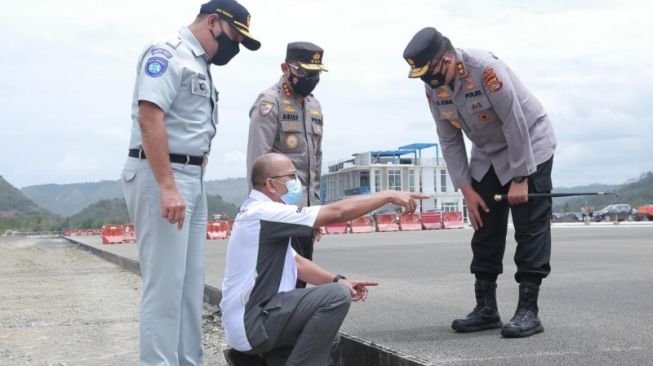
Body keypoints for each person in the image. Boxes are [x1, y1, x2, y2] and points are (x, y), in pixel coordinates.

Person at [121, 1, 260, 364]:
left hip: (192, 176)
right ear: (213, 22)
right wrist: (167, 186)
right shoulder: (168, 53)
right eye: (234, 38)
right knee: (165, 288)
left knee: (188, 288)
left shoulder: (200, 63)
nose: (234, 49)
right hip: (163, 176)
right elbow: (150, 117)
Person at [403, 27, 557, 338]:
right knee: (484, 222)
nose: (427, 81)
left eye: (429, 71)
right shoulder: (434, 88)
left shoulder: (485, 70)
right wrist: (467, 190)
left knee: (530, 225)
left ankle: (529, 310)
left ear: (446, 59)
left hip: (530, 146)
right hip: (487, 153)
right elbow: (449, 139)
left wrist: (520, 177)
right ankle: (487, 308)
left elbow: (515, 121)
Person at [221, 153, 426, 366]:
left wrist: (338, 280)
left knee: (324, 333)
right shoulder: (264, 212)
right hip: (253, 324)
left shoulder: (258, 214)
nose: (296, 183)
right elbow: (337, 213)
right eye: (291, 177)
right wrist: (388, 195)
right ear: (271, 184)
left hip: (250, 324)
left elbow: (297, 263)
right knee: (336, 297)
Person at [245, 42, 328, 288]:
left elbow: (315, 164)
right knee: (277, 284)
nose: (311, 78)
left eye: (316, 73)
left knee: (300, 284)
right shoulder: (270, 103)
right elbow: (257, 163)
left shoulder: (314, 106)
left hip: (303, 214)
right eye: (304, 72)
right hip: (278, 214)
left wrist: (315, 213)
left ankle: (293, 328)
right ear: (285, 68)